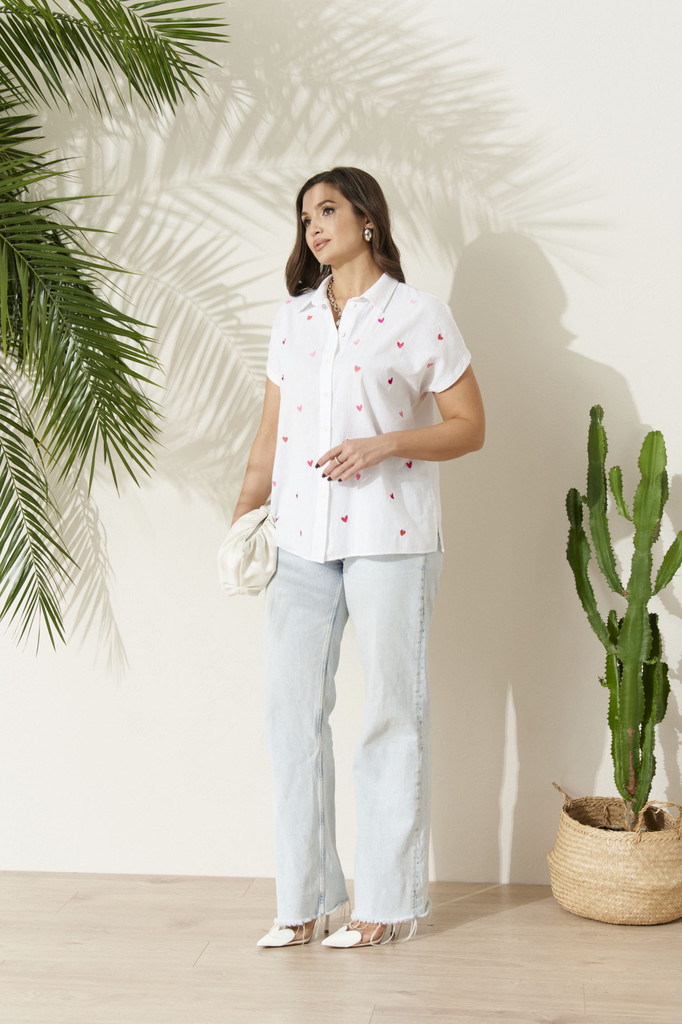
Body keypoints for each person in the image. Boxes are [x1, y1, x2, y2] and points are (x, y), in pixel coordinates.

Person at [231, 167, 485, 949]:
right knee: (290, 715)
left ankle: (387, 901)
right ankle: (305, 900)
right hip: (301, 539)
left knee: (391, 714)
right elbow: (270, 434)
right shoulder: (294, 319)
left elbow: (469, 425)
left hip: (390, 538)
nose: (313, 225)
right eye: (305, 215)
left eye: (328, 209)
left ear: (367, 219)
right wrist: (242, 516)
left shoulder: (420, 314)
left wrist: (384, 444)